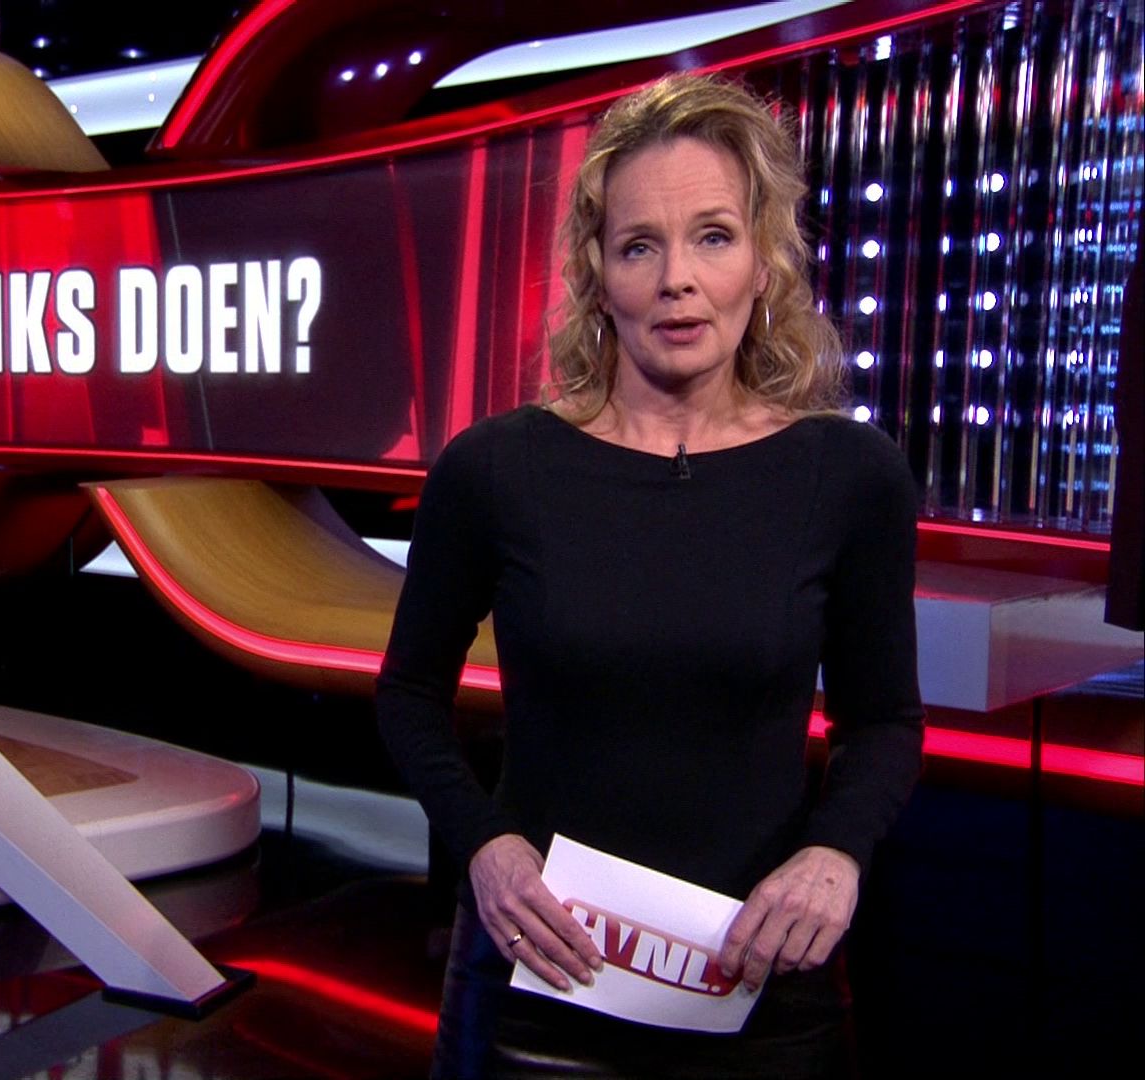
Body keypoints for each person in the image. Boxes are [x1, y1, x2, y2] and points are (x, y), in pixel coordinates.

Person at [375, 73, 924, 1078]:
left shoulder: (849, 475)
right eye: (640, 245)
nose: (678, 279)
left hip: (761, 992)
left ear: (762, 258)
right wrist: (485, 848)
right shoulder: (496, 469)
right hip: (540, 982)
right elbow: (408, 695)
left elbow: (882, 720)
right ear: (597, 271)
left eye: (713, 236)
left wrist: (834, 855)